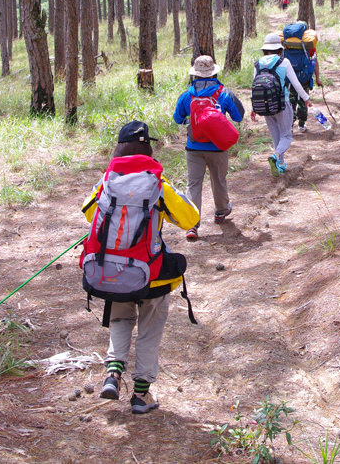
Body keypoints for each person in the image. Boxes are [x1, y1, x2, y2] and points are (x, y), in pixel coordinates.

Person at [82, 121, 199, 414]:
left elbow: (88, 214)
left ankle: (112, 374)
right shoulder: (158, 184)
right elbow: (190, 219)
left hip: (112, 272)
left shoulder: (107, 182)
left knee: (120, 321)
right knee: (148, 331)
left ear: (119, 148)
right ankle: (141, 395)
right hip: (152, 276)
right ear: (148, 148)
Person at [173, 55, 245, 240]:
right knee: (219, 180)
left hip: (193, 147)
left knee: (193, 184)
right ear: (214, 71)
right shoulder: (224, 93)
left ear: (195, 74)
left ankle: (192, 225)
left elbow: (177, 119)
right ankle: (220, 212)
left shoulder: (187, 95)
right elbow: (238, 117)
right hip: (218, 147)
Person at [250, 33, 311, 177]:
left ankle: (280, 164)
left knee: (276, 136)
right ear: (280, 49)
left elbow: (253, 86)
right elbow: (296, 84)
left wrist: (253, 107)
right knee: (287, 136)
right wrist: (306, 99)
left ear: (265, 49)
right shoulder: (284, 62)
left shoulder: (258, 64)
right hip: (282, 103)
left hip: (265, 106)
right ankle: (276, 156)